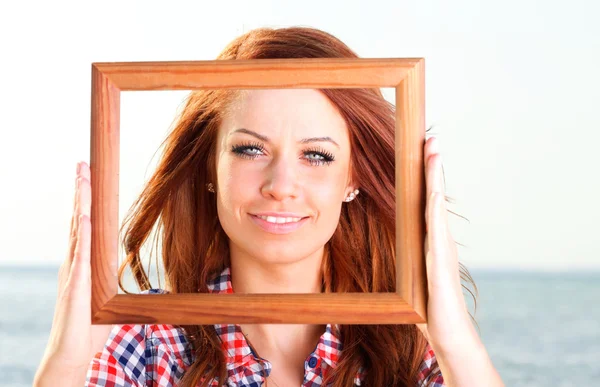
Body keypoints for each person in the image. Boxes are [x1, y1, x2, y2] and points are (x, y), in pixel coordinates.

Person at [33, 27, 503, 387]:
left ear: (353, 179)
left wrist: (453, 336)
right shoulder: (148, 346)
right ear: (209, 170)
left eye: (316, 155)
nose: (281, 185)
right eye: (250, 150)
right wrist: (67, 361)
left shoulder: (412, 353)